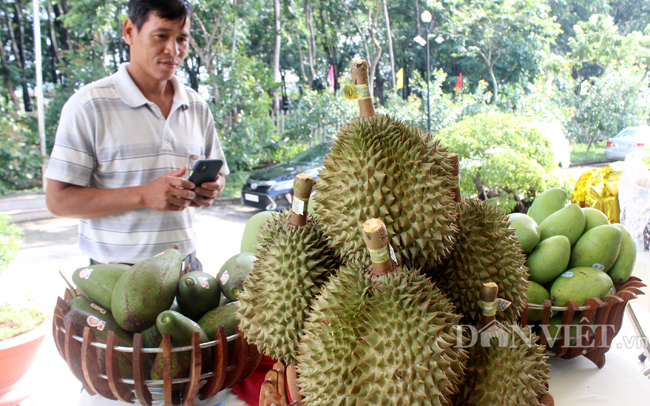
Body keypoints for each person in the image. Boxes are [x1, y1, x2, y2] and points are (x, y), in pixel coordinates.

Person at [45, 0, 228, 271]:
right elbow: (58, 201)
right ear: (129, 31)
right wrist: (143, 195)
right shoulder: (88, 105)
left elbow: (219, 174)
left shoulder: (197, 105)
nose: (173, 50)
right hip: (114, 277)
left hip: (185, 271)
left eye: (182, 38)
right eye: (161, 36)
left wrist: (212, 188)